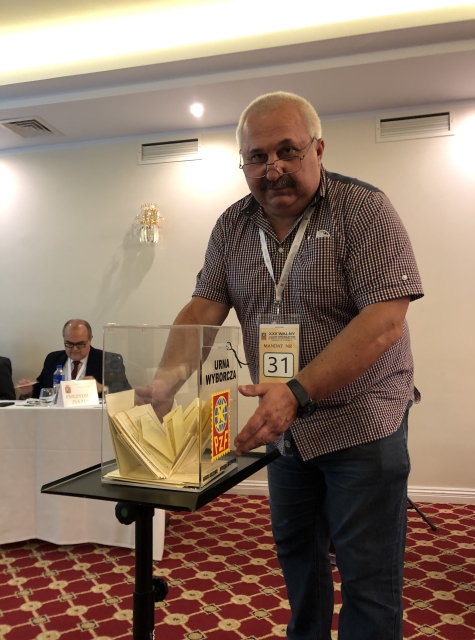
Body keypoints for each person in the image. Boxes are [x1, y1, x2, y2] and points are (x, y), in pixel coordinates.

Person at [138, 91, 423, 640]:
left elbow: (384, 322)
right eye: (257, 157)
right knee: (299, 560)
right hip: (284, 428)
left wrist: (296, 390)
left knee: (367, 577)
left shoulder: (364, 209)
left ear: (318, 149)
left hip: (362, 420)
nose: (273, 170)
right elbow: (202, 310)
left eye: (287, 151)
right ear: (243, 163)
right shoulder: (232, 226)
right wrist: (168, 379)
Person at [17, 319, 130, 399]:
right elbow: (42, 390)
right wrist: (28, 392)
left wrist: (102, 389)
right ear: (64, 339)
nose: (74, 349)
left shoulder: (109, 360)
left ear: (90, 339)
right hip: (55, 418)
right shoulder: (53, 359)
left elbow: (126, 395)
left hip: (92, 419)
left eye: (80, 344)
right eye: (69, 344)